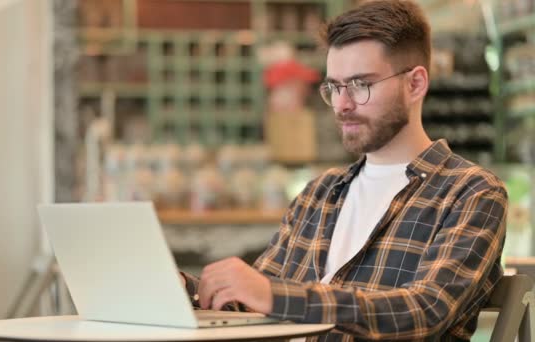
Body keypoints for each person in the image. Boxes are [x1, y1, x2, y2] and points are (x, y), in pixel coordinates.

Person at [180, 1, 508, 340]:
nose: (342, 104)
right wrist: (181, 289)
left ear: (415, 84)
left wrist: (272, 295)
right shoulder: (320, 192)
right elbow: (252, 301)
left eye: (360, 85)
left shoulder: (469, 192)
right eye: (335, 87)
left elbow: (423, 311)